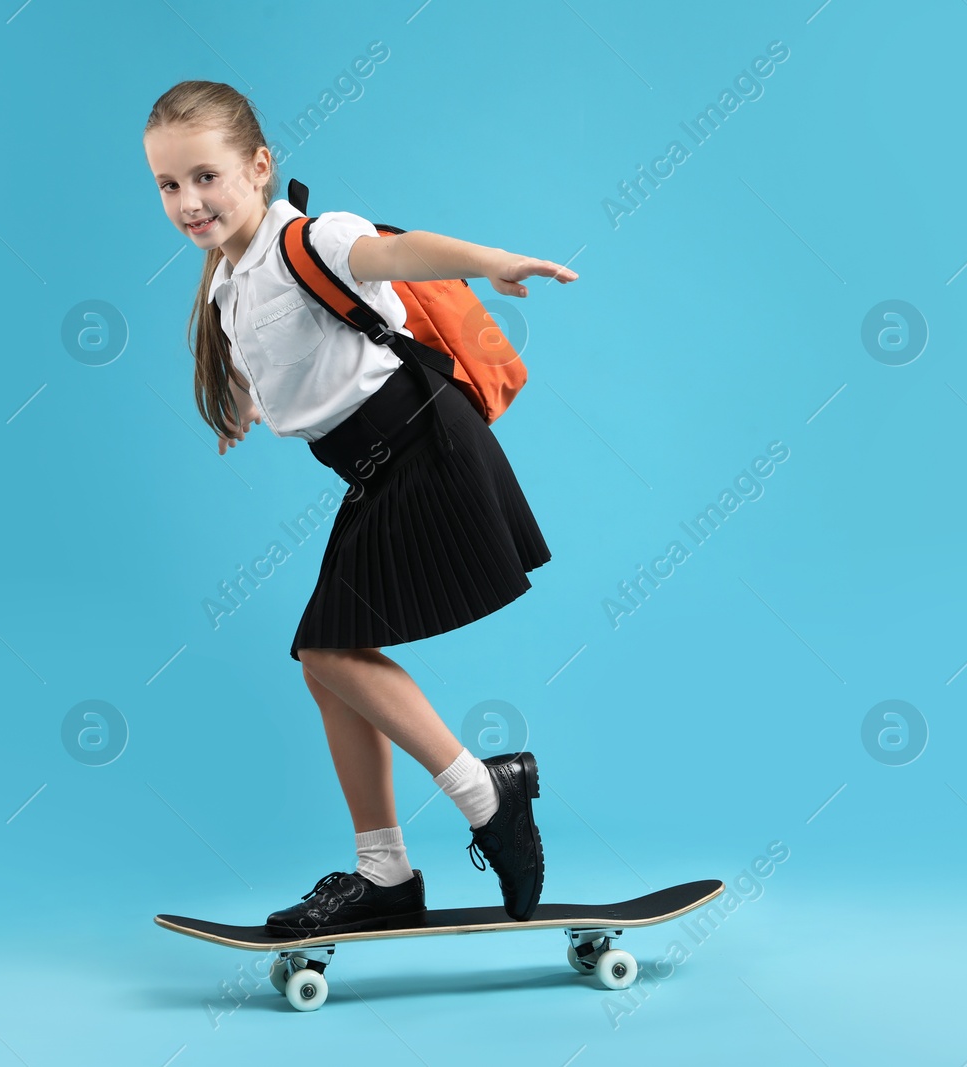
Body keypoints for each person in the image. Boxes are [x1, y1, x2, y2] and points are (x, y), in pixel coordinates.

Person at [141, 80, 577, 935]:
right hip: (380, 473)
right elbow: (300, 365)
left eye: (206, 176)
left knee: (328, 650)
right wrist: (245, 406)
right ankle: (386, 872)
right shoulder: (231, 284)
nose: (188, 201)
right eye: (168, 185)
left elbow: (394, 254)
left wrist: (490, 260)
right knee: (324, 661)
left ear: (259, 167)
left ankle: (489, 796)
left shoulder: (315, 237)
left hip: (428, 451)